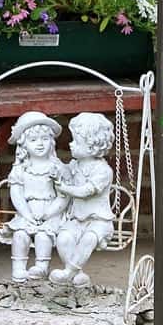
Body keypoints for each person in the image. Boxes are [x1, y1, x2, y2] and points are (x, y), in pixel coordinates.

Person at [0, 111, 70, 282]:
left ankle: (41, 268)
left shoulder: (57, 167)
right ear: (23, 144)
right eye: (33, 140)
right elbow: (16, 195)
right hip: (27, 211)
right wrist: (27, 215)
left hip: (51, 212)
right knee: (20, 235)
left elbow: (64, 195)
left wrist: (48, 214)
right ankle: (18, 268)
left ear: (51, 142)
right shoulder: (21, 169)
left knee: (42, 235)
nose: (40, 144)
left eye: (44, 139)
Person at [50, 112, 115, 288]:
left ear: (93, 146)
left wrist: (65, 189)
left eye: (76, 141)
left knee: (88, 239)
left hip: (98, 221)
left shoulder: (103, 170)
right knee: (63, 238)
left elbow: (85, 191)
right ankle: (77, 274)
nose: (71, 144)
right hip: (77, 219)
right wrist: (54, 165)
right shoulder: (75, 165)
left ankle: (68, 272)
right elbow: (65, 172)